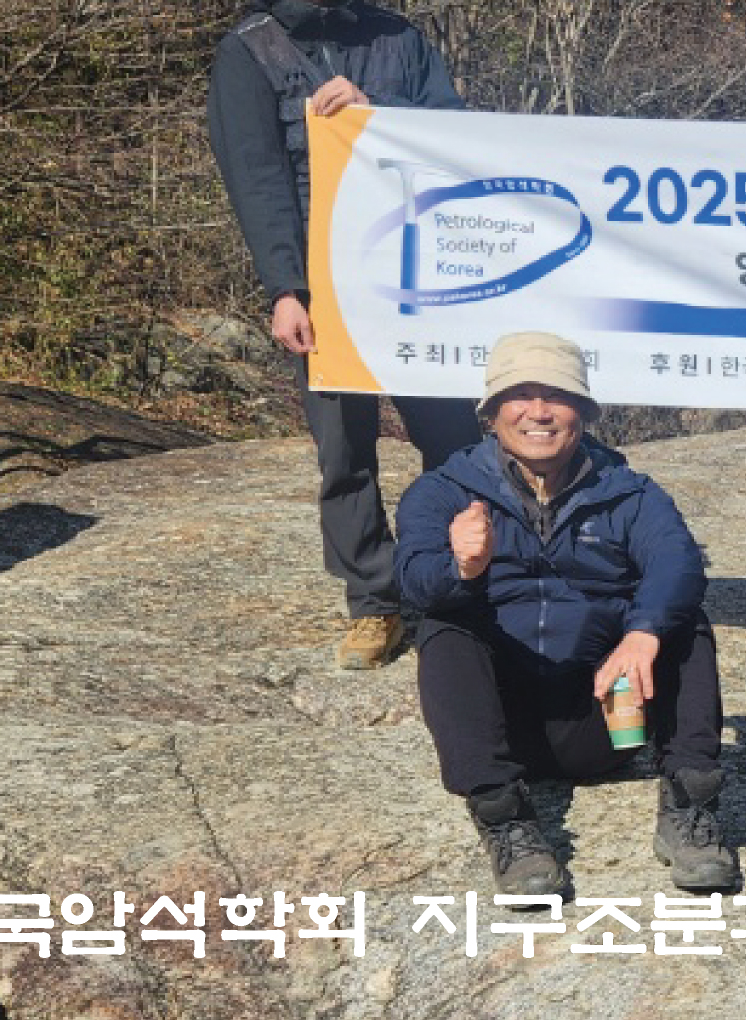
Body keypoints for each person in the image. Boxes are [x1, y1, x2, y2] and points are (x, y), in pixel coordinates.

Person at [391, 332, 735, 897]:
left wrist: (643, 633)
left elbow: (678, 562)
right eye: (520, 395)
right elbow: (414, 580)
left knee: (682, 622)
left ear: (584, 412)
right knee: (445, 625)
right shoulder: (442, 492)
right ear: (491, 413)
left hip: (606, 718)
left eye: (556, 396)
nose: (539, 412)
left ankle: (689, 806)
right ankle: (505, 821)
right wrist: (462, 567)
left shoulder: (630, 493)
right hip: (502, 724)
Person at [209, 0, 482, 669]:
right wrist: (284, 290)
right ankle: (374, 601)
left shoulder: (399, 36)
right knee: (344, 450)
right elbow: (257, 180)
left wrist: (376, 114)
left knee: (452, 437)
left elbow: (458, 137)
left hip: (416, 276)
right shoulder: (248, 51)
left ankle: (457, 583)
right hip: (321, 285)